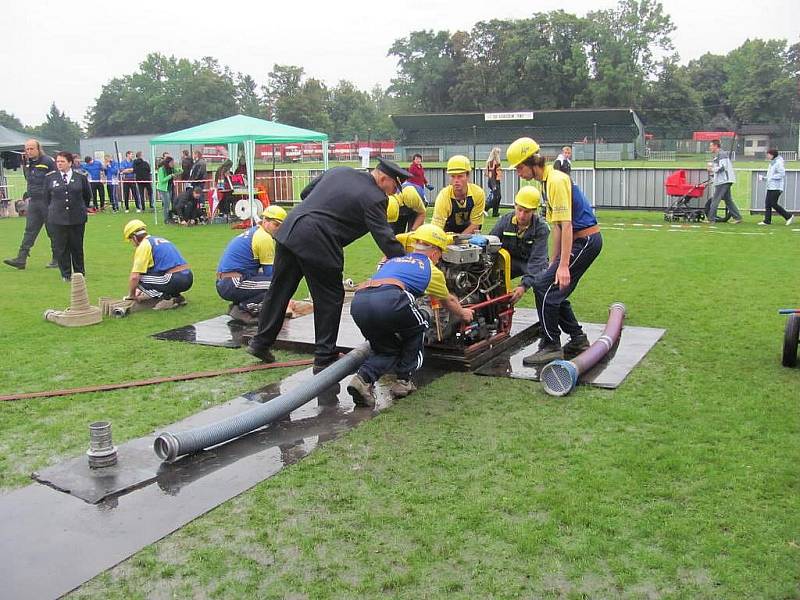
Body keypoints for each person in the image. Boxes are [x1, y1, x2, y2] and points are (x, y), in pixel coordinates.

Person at [246, 158, 410, 370]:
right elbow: (385, 237)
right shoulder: (375, 197)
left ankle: (260, 342)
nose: (394, 192)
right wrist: (407, 261)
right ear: (383, 177)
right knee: (329, 297)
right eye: (394, 187)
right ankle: (324, 357)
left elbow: (306, 193)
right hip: (318, 241)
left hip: (290, 230)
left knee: (279, 290)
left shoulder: (339, 170)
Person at [347, 224, 475, 406]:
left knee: (388, 349)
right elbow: (449, 301)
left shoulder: (395, 260)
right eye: (441, 253)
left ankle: (362, 379)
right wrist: (464, 313)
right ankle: (403, 381)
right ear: (435, 252)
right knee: (419, 327)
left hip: (360, 303)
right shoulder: (431, 270)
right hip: (390, 300)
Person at [506, 137, 602, 364]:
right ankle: (577, 338)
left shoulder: (556, 181)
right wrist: (556, 261)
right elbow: (557, 227)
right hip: (579, 240)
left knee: (544, 288)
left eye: (520, 167)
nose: (518, 173)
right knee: (550, 288)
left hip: (585, 241)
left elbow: (567, 225)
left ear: (532, 162)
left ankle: (551, 345)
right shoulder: (547, 182)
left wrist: (564, 266)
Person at [216, 205, 287, 322]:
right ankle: (243, 308)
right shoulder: (264, 238)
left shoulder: (256, 232)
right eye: (276, 225)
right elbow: (271, 274)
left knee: (271, 282)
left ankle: (238, 305)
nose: (278, 229)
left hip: (228, 280)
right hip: (233, 282)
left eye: (281, 226)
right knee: (279, 284)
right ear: (265, 221)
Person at [3, 139, 58, 270]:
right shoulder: (27, 164)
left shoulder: (48, 162)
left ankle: (57, 258)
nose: (28, 151)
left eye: (31, 148)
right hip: (33, 201)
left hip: (47, 201)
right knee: (29, 231)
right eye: (27, 149)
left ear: (38, 148)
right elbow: (28, 180)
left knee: (53, 231)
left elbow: (55, 180)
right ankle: (21, 259)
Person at [490, 186, 550, 303]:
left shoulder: (541, 228)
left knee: (542, 284)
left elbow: (538, 261)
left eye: (527, 212)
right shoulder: (505, 221)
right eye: (519, 210)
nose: (522, 215)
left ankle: (546, 315)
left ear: (534, 211)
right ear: (515, 206)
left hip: (532, 262)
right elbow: (491, 244)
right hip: (508, 261)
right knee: (489, 278)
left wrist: (524, 286)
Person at [122, 219, 193, 310]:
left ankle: (166, 299)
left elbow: (134, 277)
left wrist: (131, 295)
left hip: (174, 278)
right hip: (188, 276)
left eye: (131, 240)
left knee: (138, 279)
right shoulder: (159, 240)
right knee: (146, 276)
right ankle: (177, 297)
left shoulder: (144, 245)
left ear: (134, 237)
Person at [45, 151, 91, 281]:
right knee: (62, 247)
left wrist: (80, 208)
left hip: (77, 218)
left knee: (77, 246)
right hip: (57, 218)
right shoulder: (50, 178)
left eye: (62, 161)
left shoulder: (80, 177)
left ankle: (79, 273)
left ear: (70, 163)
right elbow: (47, 198)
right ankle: (65, 274)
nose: (59, 164)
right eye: (57, 161)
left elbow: (86, 196)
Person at [431, 155, 485, 234]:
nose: (456, 180)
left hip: (469, 236)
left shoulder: (478, 193)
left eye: (460, 176)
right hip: (446, 234)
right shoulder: (444, 196)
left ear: (468, 176)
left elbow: (475, 224)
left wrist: (459, 240)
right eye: (453, 176)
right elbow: (437, 227)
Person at [706, 139, 742, 224]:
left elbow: (722, 167)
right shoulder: (718, 155)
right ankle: (737, 217)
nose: (710, 147)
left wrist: (712, 169)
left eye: (711, 146)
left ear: (715, 146)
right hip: (724, 180)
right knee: (728, 200)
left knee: (715, 199)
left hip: (723, 181)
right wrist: (713, 174)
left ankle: (711, 219)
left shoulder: (721, 154)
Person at [758, 149, 793, 226]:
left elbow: (782, 174)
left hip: (777, 187)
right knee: (767, 203)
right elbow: (771, 175)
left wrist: (771, 178)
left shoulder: (778, 163)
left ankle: (788, 216)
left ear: (772, 155)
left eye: (768, 154)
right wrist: (765, 178)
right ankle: (767, 221)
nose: (767, 156)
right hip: (771, 186)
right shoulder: (772, 163)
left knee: (773, 204)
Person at [156, 156, 177, 223]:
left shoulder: (171, 168)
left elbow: (179, 171)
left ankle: (171, 217)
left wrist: (179, 170)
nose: (173, 163)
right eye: (172, 162)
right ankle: (166, 219)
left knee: (172, 202)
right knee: (166, 204)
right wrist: (170, 176)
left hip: (170, 187)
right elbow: (162, 180)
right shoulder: (161, 169)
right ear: (168, 163)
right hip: (163, 189)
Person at [486, 147, 503, 217]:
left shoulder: (495, 161)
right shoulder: (492, 162)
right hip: (493, 181)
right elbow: (491, 173)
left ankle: (495, 212)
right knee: (496, 197)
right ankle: (485, 208)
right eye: (498, 153)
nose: (499, 154)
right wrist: (494, 185)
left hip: (496, 181)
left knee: (498, 197)